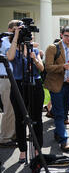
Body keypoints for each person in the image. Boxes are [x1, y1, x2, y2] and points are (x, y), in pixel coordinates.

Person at [7, 23, 45, 163]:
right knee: (20, 119)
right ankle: (23, 150)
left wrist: (34, 58)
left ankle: (37, 148)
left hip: (35, 85)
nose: (30, 38)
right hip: (18, 86)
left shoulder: (34, 50)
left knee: (37, 119)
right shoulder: (12, 49)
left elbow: (41, 68)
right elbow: (10, 57)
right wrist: (16, 35)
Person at [43, 25, 69, 152]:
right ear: (61, 35)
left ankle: (58, 134)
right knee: (59, 113)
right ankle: (64, 141)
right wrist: (62, 67)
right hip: (56, 85)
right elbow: (47, 67)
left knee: (63, 113)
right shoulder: (53, 48)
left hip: (68, 85)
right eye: (66, 36)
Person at [0, 20, 18, 148]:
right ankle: (5, 137)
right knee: (9, 109)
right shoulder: (4, 41)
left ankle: (14, 133)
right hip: (5, 78)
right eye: (16, 30)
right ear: (11, 30)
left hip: (13, 78)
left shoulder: (15, 42)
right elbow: (10, 56)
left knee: (15, 108)